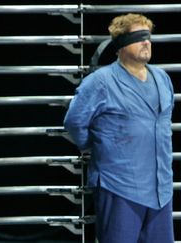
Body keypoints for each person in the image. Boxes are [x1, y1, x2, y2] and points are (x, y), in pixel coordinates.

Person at [63, 13, 174, 243]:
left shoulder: (162, 78)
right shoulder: (100, 82)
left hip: (160, 189)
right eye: (139, 37)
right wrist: (94, 146)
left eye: (148, 37)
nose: (147, 42)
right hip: (119, 186)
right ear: (121, 44)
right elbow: (74, 121)